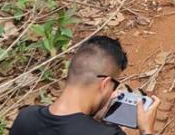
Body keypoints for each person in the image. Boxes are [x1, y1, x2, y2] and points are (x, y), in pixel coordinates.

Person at [9, 35, 158, 135]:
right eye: (114, 86)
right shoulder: (107, 134)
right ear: (104, 84)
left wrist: (95, 121)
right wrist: (146, 130)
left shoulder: (25, 118)